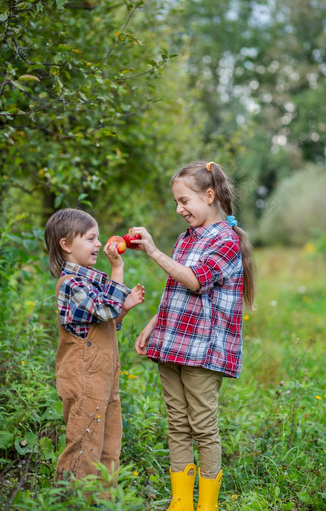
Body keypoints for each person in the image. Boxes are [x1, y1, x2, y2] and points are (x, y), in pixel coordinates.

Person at [132, 161, 256, 511]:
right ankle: (181, 502)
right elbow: (177, 288)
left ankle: (207, 505)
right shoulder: (186, 238)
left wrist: (154, 252)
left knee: (202, 426)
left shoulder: (226, 241)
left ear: (210, 195)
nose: (179, 209)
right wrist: (154, 323)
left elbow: (196, 280)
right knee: (177, 423)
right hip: (173, 343)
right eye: (176, 202)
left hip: (203, 351)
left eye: (184, 200)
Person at [44, 208, 145, 481]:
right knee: (83, 446)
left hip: (105, 379)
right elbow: (105, 311)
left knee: (109, 445)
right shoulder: (71, 284)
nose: (99, 244)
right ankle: (73, 501)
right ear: (66, 245)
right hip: (84, 379)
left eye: (98, 238)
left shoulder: (90, 281)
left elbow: (106, 322)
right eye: (90, 238)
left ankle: (102, 499)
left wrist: (124, 308)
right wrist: (117, 269)